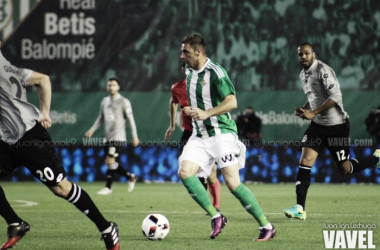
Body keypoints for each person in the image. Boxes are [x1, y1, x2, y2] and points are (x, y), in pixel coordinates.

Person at [0, 42, 120, 250]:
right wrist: (44, 112)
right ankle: (16, 224)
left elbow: (43, 80)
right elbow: (42, 80)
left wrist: (44, 113)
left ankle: (107, 228)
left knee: (61, 188)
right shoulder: (9, 67)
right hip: (8, 141)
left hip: (31, 139)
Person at [178, 34, 275, 241]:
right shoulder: (187, 69)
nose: (181, 55)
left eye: (185, 51)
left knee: (233, 184)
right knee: (185, 172)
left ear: (198, 52)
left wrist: (206, 113)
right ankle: (216, 216)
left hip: (222, 134)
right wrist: (191, 110)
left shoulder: (216, 72)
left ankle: (266, 226)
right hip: (200, 135)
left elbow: (232, 102)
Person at [283, 42, 380, 220]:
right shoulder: (303, 74)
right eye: (300, 54)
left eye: (306, 54)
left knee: (344, 169)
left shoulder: (323, 70)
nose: (303, 57)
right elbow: (314, 97)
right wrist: (306, 108)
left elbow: (335, 96)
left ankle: (375, 159)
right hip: (318, 128)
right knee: (305, 161)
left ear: (313, 54)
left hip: (337, 128)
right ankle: (299, 207)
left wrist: (313, 112)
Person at [165, 62, 221, 212]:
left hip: (209, 131)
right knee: (185, 167)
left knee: (212, 175)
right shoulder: (177, 88)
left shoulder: (207, 83)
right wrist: (171, 125)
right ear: (183, 69)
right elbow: (173, 101)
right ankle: (208, 206)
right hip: (190, 133)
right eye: (187, 68)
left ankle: (216, 205)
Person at [85, 78, 139, 195]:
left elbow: (131, 119)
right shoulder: (104, 101)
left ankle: (108, 188)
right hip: (108, 137)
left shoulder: (124, 101)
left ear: (118, 87)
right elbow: (101, 118)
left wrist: (134, 136)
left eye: (114, 85)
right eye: (109, 85)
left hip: (118, 137)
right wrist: (92, 130)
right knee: (111, 163)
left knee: (110, 161)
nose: (111, 87)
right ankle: (131, 176)